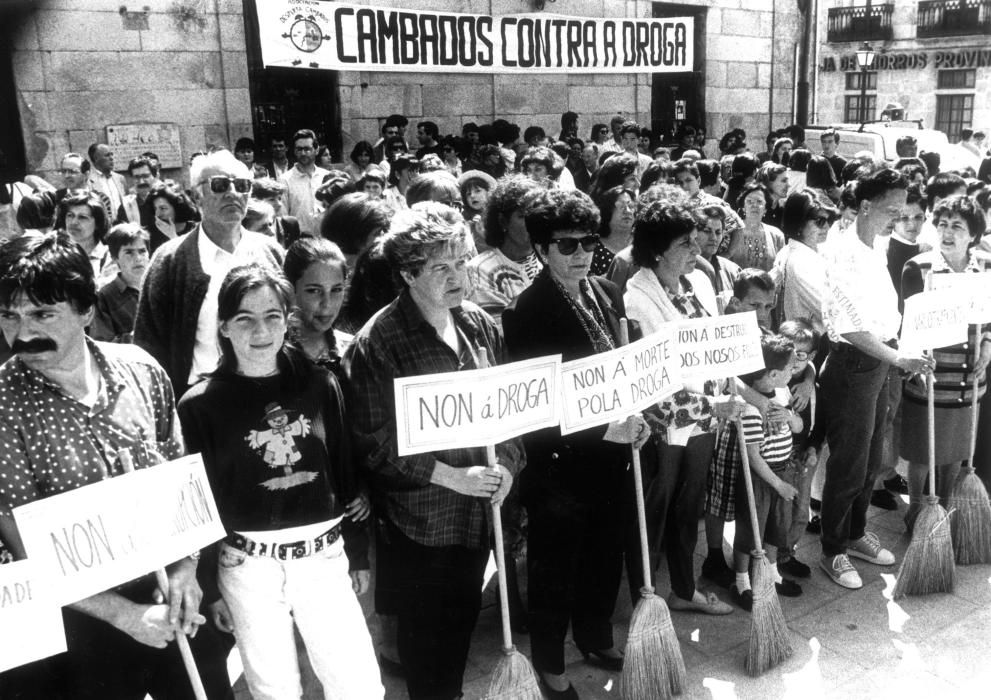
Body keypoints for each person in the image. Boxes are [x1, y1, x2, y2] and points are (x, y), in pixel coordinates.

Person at [0, 232, 231, 699]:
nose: (22, 333)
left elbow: (180, 480)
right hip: (82, 622)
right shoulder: (4, 402)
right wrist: (122, 615)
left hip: (171, 599)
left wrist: (186, 569)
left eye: (43, 314)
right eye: (8, 316)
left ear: (87, 310)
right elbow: (19, 536)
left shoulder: (141, 370)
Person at [176, 263, 380, 700]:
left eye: (272, 316)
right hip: (248, 567)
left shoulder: (320, 383)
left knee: (358, 684)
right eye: (244, 319)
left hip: (322, 556)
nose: (260, 330)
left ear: (287, 320)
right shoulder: (199, 406)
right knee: (275, 690)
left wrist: (358, 551)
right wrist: (212, 588)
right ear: (224, 326)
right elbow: (199, 507)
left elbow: (344, 469)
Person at [345, 209, 522, 700]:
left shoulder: (480, 325)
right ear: (407, 274)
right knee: (424, 649)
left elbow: (511, 411)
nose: (458, 277)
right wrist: (452, 477)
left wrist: (506, 465)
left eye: (462, 263)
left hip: (477, 517)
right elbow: (375, 444)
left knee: (461, 627)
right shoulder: (378, 342)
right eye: (440, 268)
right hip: (419, 525)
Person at [502, 188, 650, 698]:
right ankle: (549, 662)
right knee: (555, 568)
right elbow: (536, 405)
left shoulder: (607, 291)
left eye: (588, 241)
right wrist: (606, 428)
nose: (581, 253)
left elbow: (623, 368)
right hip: (560, 467)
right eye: (567, 245)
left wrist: (637, 413)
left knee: (605, 554)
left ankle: (594, 636)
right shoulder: (526, 311)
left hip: (612, 457)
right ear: (542, 249)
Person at [622, 200, 740, 615]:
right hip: (664, 422)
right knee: (654, 509)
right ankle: (645, 597)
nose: (696, 249)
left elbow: (715, 341)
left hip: (707, 414)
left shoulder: (700, 282)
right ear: (657, 250)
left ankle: (683, 589)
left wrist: (728, 384)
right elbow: (657, 374)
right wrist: (713, 402)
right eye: (685, 243)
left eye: (697, 241)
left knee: (690, 506)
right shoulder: (637, 296)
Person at [818, 168, 932, 589]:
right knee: (849, 463)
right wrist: (897, 357)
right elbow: (848, 327)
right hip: (855, 365)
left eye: (902, 212)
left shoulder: (878, 244)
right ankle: (832, 550)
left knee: (874, 458)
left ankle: (854, 532)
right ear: (865, 207)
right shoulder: (840, 251)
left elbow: (883, 313)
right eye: (891, 211)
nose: (897, 220)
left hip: (883, 361)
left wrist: (900, 353)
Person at [134, 149, 284, 396]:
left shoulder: (270, 252)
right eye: (220, 185)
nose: (233, 193)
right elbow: (148, 346)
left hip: (268, 396)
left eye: (243, 185)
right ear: (196, 196)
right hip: (198, 400)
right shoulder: (170, 260)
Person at [900, 194, 991, 530]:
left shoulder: (986, 267)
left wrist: (988, 345)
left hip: (969, 375)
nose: (948, 232)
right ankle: (916, 510)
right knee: (924, 452)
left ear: (974, 234)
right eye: (942, 224)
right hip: (931, 374)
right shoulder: (919, 267)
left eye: (957, 226)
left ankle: (947, 509)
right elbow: (907, 321)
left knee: (954, 449)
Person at [729, 334, 803, 610]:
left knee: (775, 527)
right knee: (750, 529)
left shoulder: (782, 394)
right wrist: (777, 484)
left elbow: (798, 427)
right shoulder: (749, 409)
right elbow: (753, 456)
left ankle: (772, 574)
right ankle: (741, 582)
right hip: (760, 479)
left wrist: (790, 418)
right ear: (772, 373)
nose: (793, 371)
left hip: (781, 471)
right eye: (790, 368)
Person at [466, 173, 543, 323]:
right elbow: (501, 334)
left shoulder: (548, 258)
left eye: (539, 214)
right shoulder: (482, 270)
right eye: (524, 216)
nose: (535, 222)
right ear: (503, 221)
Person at [771, 188, 837, 333]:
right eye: (820, 221)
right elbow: (829, 310)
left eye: (830, 220)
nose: (826, 227)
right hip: (812, 345)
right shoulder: (799, 261)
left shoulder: (810, 251)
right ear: (799, 222)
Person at [90, 223, 150, 343]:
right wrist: (140, 335)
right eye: (129, 252)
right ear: (114, 257)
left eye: (142, 251)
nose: (138, 258)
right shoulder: (104, 296)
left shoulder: (160, 286)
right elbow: (103, 344)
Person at [55, 190, 117, 287]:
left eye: (82, 217)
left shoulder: (109, 258)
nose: (74, 222)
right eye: (70, 215)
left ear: (97, 224)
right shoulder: (56, 254)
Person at [280, 129, 329, 237]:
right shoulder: (285, 180)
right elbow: (283, 217)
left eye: (307, 149)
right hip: (299, 242)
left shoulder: (326, 177)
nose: (303, 153)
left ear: (316, 150)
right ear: (294, 151)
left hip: (325, 240)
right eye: (299, 149)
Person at [725, 183, 785, 271]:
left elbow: (781, 269)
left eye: (759, 202)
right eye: (749, 202)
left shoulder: (776, 235)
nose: (754, 205)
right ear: (743, 207)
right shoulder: (731, 232)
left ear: (765, 208)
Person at [589, 186, 635, 276]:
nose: (628, 211)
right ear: (607, 211)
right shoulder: (593, 248)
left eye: (630, 206)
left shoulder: (643, 241)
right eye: (621, 206)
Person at [147, 181, 199, 252]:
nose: (157, 214)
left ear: (177, 208)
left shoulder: (196, 230)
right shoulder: (150, 234)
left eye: (163, 208)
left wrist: (172, 236)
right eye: (155, 209)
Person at [87, 143, 127, 221]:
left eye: (111, 154)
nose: (111, 158)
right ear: (96, 159)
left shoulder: (120, 178)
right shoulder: (88, 181)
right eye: (107, 155)